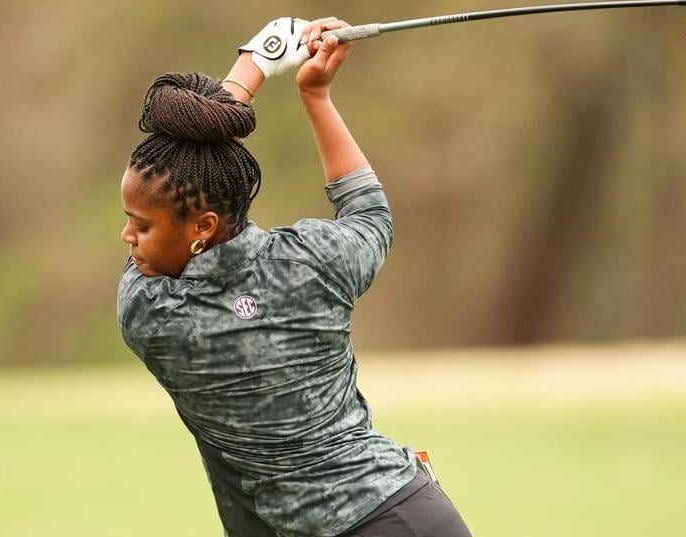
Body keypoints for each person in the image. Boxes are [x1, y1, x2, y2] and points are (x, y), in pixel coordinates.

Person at [117, 16, 472, 537]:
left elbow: (190, 152)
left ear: (203, 226)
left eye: (141, 225)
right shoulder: (315, 261)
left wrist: (256, 62)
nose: (127, 238)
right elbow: (369, 214)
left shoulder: (152, 314)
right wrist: (317, 98)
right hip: (408, 513)